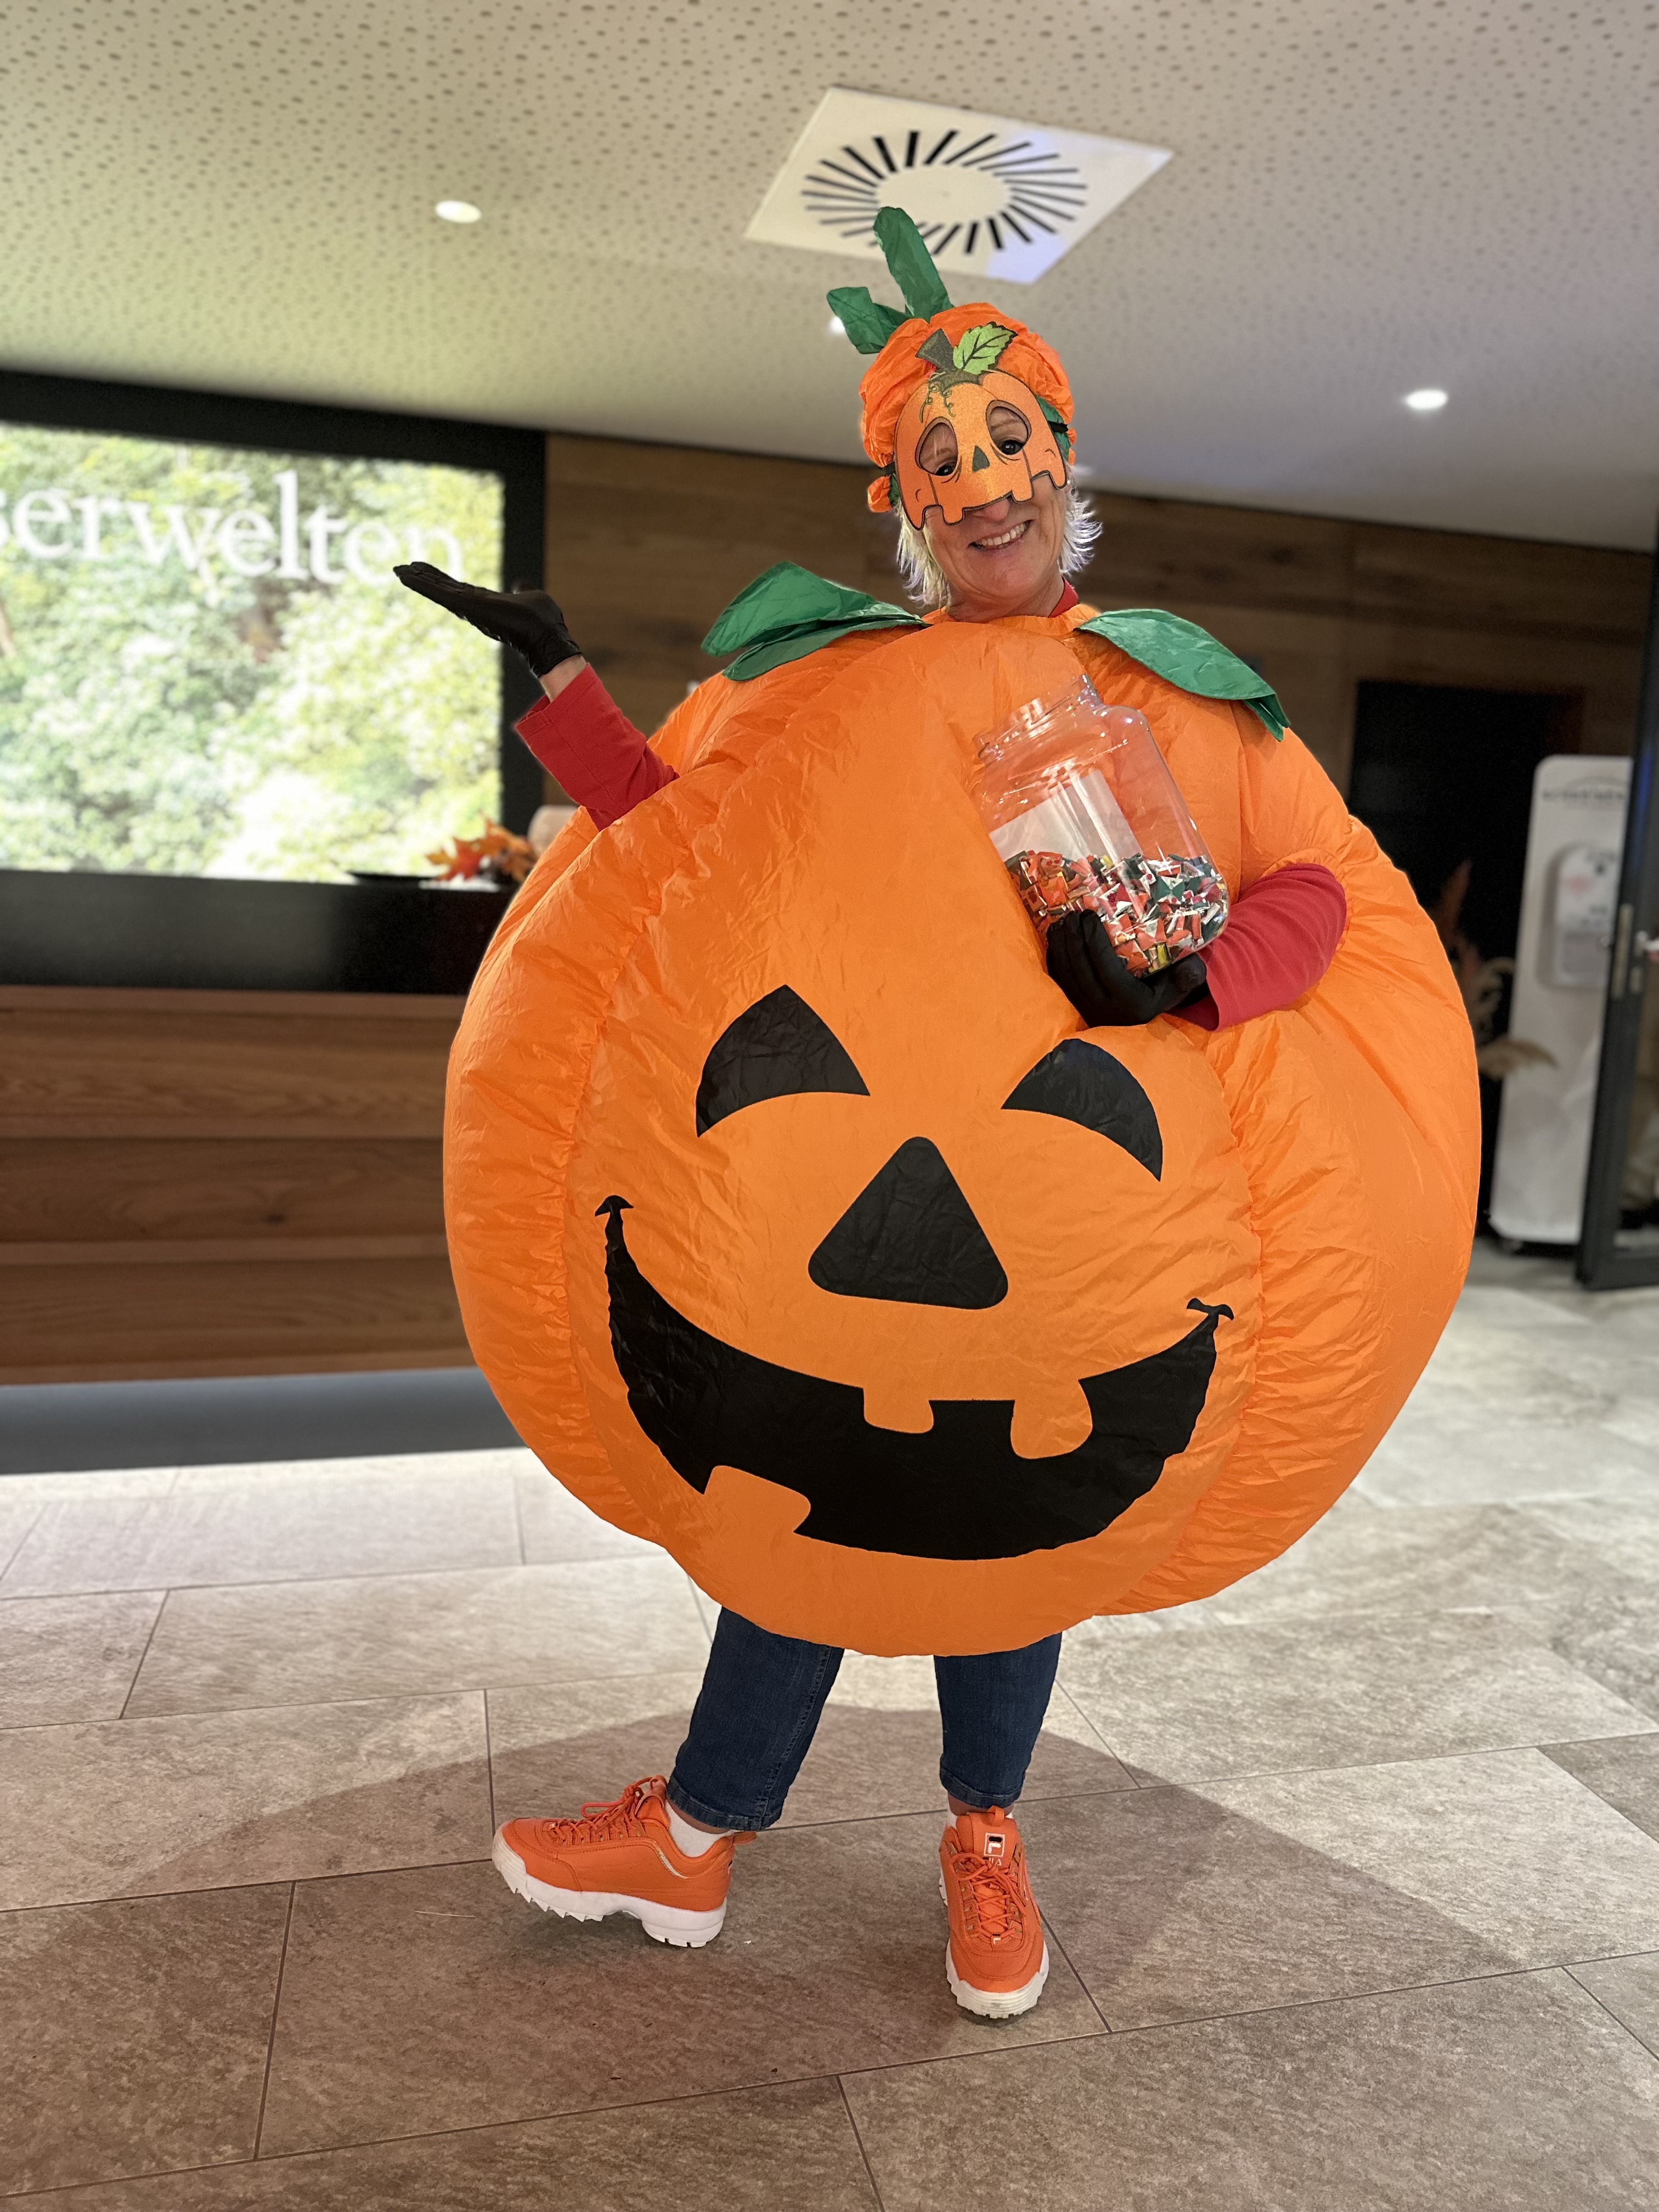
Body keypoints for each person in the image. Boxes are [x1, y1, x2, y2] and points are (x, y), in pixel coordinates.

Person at [396, 224, 1351, 2015]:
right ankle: (697, 1834)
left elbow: (1321, 886)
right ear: (902, 500)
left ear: (1063, 462)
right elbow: (665, 835)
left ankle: (984, 1836)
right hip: (813, 1179)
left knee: (1017, 1522)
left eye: (1009, 443)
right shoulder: (824, 684)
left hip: (1081, 1202)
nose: (984, 486)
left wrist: (1193, 984)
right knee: (803, 1482)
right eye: (942, 458)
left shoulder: (1167, 694)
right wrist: (556, 686)